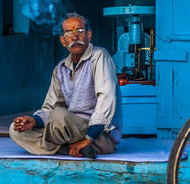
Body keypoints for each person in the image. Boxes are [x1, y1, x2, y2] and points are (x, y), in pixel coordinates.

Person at [9, 12, 122, 158]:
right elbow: (50, 107)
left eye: (80, 31)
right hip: (69, 131)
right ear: (63, 41)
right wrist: (35, 121)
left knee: (59, 115)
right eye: (69, 33)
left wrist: (89, 137)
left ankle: (81, 145)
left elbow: (107, 97)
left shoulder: (99, 56)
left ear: (89, 35)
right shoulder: (60, 69)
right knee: (16, 130)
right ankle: (73, 149)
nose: (74, 37)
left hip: (99, 135)